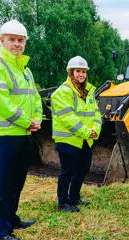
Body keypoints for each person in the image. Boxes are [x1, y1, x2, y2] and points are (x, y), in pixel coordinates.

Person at [0, 20, 42, 240]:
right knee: (1, 183)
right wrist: (27, 121)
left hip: (23, 134)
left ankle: (11, 218)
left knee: (16, 181)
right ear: (2, 40)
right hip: (4, 135)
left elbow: (35, 97)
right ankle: (0, 231)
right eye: (12, 39)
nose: (17, 44)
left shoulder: (25, 68)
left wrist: (36, 118)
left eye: (21, 40)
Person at [51, 56, 101, 213]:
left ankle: (74, 197)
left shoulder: (88, 92)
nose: (81, 75)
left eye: (84, 72)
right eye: (78, 71)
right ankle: (62, 202)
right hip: (68, 140)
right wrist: (87, 132)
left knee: (82, 169)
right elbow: (68, 118)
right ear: (70, 72)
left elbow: (97, 114)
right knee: (68, 171)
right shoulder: (62, 93)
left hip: (86, 140)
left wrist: (96, 130)